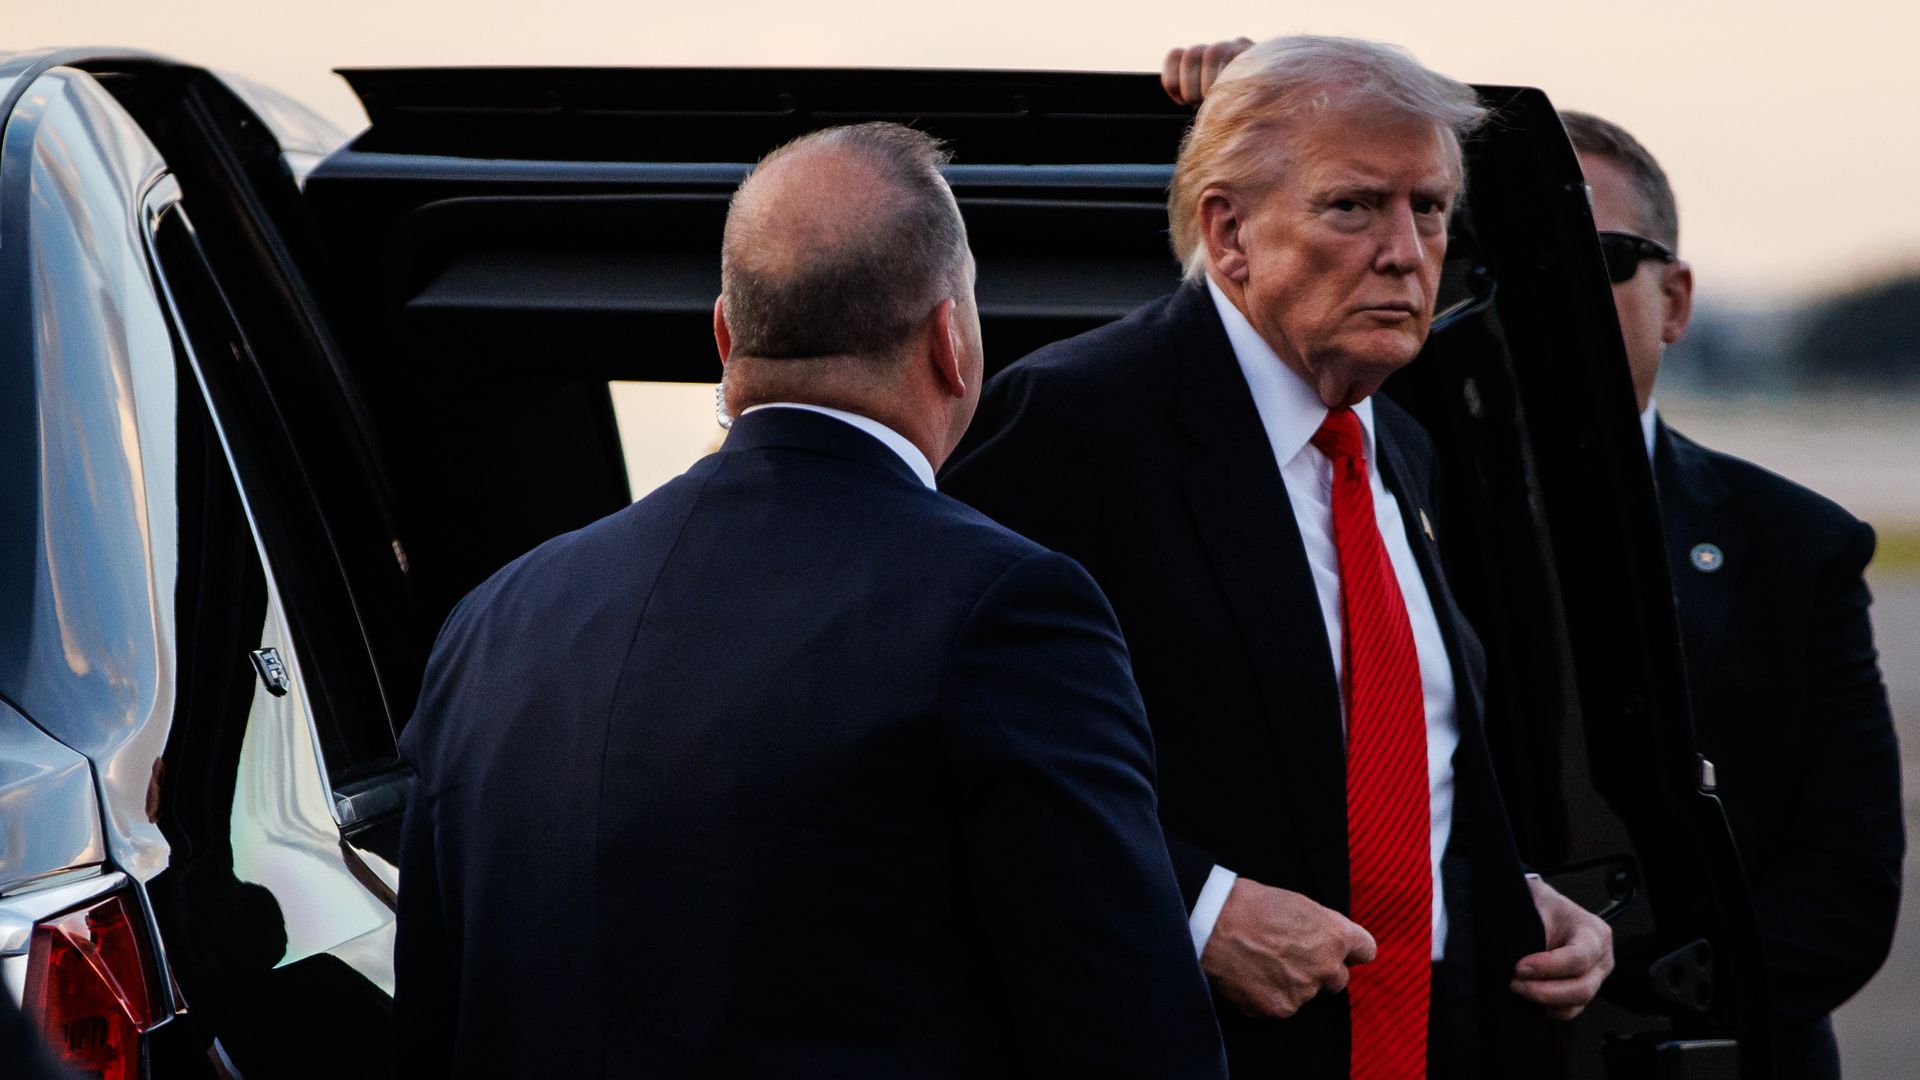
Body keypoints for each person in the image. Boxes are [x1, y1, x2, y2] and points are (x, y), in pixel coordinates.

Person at [391, 122, 1227, 1078]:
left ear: (723, 336)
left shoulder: (496, 618)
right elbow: (1128, 1030)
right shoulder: (1007, 608)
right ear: (951, 340)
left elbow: (434, 1021)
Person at [943, 35, 1614, 1078]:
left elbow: (1394, 759)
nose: (1406, 251)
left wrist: (1504, 894)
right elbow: (951, 743)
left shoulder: (1398, 443)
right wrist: (1195, 909)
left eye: (1429, 208)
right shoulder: (1079, 421)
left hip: (1440, 1032)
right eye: (1354, 206)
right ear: (1230, 231)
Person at [1561, 109, 1903, 1080]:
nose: (1556, 288)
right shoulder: (1358, 516)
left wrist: (1622, 997)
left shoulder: (1797, 547)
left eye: (1603, 255)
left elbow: (1846, 881)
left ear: (1675, 301)